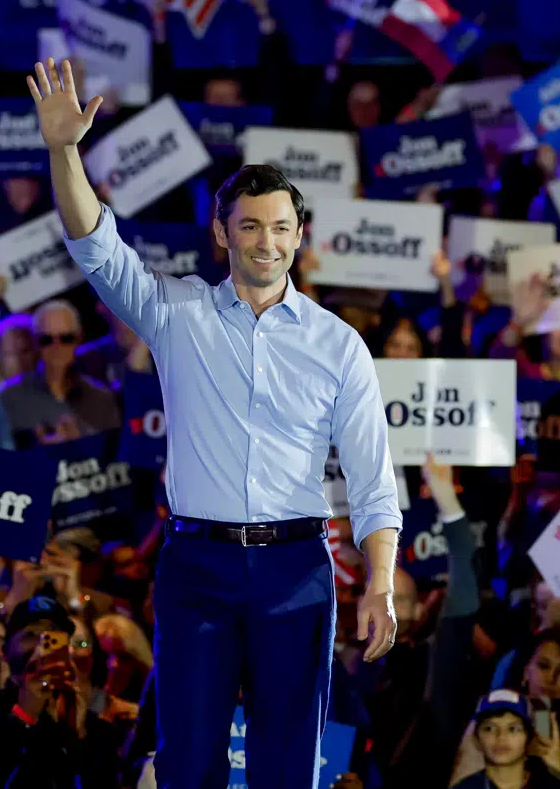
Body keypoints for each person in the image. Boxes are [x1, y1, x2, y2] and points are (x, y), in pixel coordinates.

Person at [29, 57, 402, 788]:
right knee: (189, 761)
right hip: (197, 568)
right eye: (251, 226)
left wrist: (381, 584)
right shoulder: (177, 313)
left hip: (298, 571)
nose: (267, 241)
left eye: (281, 228)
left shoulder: (338, 343)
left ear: (300, 236)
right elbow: (95, 247)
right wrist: (63, 150)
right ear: (222, 233)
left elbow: (372, 479)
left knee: (288, 766)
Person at [0, 595, 123, 789]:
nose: (41, 647)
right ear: (6, 652)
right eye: (31, 636)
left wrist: (76, 739)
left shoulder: (98, 732)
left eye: (52, 637)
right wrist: (24, 718)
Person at [0, 299, 121, 447]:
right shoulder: (9, 397)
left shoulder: (102, 399)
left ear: (78, 338)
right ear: (35, 343)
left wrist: (81, 442)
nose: (57, 347)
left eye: (66, 338)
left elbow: (116, 457)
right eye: (46, 340)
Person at [451, 689, 560, 788]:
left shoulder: (550, 785)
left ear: (530, 737)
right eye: (489, 728)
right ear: (476, 739)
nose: (500, 737)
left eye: (513, 729)